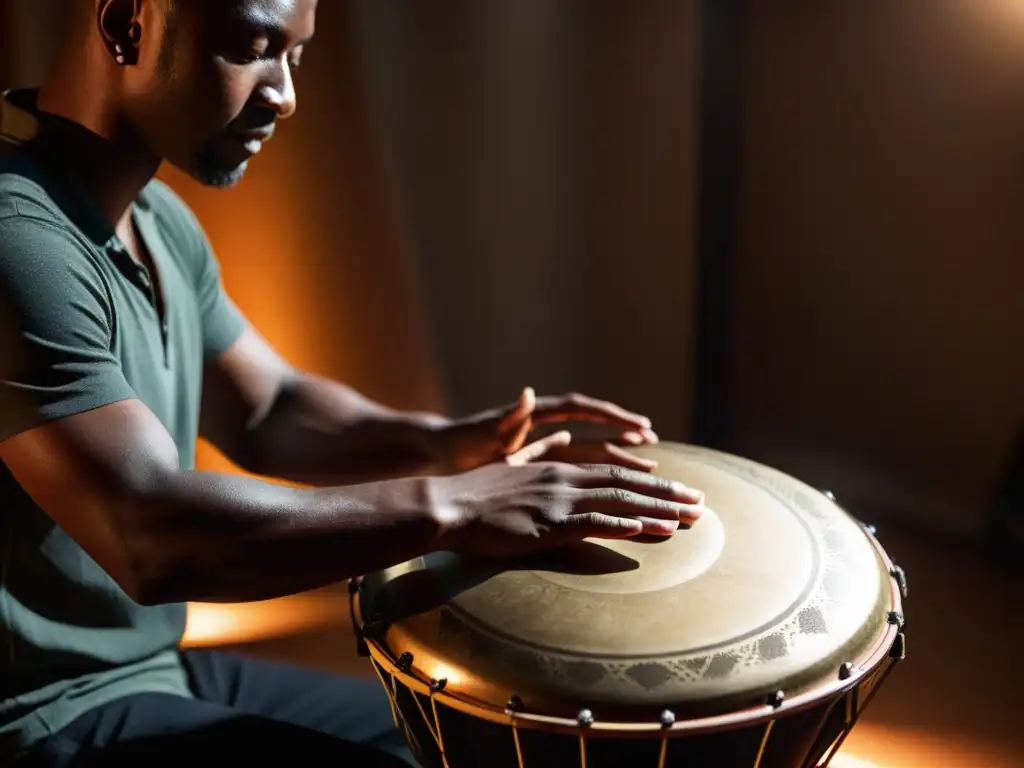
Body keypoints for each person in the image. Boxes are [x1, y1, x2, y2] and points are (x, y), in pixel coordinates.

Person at [0, 1, 705, 765]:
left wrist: (445, 446)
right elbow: (152, 534)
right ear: (126, 25)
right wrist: (457, 506)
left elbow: (268, 408)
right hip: (32, 712)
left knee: (471, 742)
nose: (284, 94)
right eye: (249, 47)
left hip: (146, 672)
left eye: (295, 57)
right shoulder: (19, 236)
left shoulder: (155, 217)